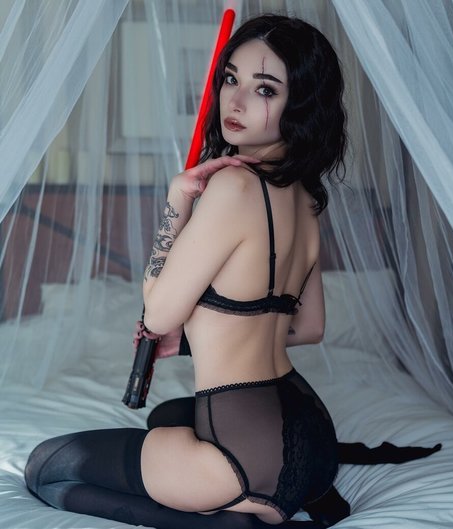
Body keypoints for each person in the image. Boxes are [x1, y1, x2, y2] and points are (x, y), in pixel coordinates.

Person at [25, 14, 348, 529]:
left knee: (46, 469)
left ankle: (232, 521)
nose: (235, 101)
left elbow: (157, 313)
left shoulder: (232, 188)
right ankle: (281, 496)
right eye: (231, 79)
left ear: (301, 105)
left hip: (244, 461)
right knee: (166, 417)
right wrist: (202, 337)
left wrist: (177, 201)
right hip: (310, 438)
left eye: (264, 88)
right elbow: (310, 327)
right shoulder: (308, 197)